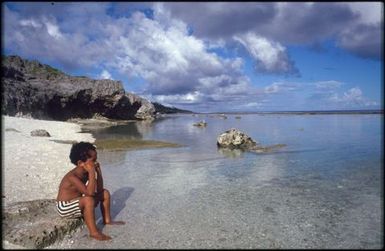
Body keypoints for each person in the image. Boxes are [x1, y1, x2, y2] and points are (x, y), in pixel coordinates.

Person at [56, 142, 125, 241]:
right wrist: (92, 172)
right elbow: (90, 193)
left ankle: (107, 220)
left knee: (105, 193)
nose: (96, 163)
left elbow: (100, 189)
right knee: (88, 200)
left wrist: (98, 172)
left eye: (96, 160)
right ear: (80, 163)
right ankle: (94, 232)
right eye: (93, 160)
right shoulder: (72, 177)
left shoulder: (87, 172)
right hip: (64, 207)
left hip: (78, 201)